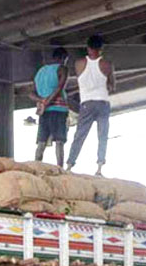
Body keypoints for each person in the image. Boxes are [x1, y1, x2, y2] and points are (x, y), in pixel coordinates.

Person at [66, 34, 115, 177]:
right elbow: (112, 87)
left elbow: (81, 81)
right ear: (101, 49)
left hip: (86, 103)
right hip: (102, 102)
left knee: (80, 135)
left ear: (87, 48)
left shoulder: (78, 64)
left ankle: (69, 165)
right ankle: (99, 168)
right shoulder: (107, 64)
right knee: (102, 135)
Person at [30, 47, 69, 168]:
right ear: (63, 58)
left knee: (41, 142)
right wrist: (48, 102)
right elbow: (59, 88)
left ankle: (36, 166)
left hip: (44, 111)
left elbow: (31, 93)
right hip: (58, 109)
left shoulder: (40, 71)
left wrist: (42, 101)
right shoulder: (62, 68)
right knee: (59, 141)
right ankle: (60, 168)